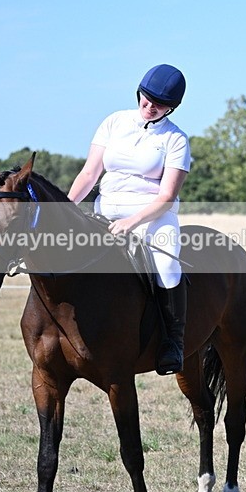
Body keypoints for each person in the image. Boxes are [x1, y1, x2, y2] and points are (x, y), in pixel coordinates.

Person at [68, 64, 191, 375]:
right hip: (105, 209)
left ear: (172, 108)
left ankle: (172, 343)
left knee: (166, 267)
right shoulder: (114, 122)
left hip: (153, 216)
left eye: (159, 105)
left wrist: (132, 221)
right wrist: (66, 208)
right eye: (145, 99)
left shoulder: (176, 140)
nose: (149, 108)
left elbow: (166, 197)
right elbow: (89, 174)